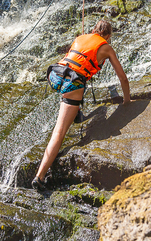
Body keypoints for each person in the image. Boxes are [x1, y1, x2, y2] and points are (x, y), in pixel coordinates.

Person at [32, 20, 131, 191]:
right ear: (107, 36)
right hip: (72, 84)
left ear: (94, 30)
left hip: (54, 74)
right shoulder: (106, 47)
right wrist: (127, 101)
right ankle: (40, 177)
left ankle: (76, 109)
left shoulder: (81, 37)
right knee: (60, 131)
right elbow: (122, 77)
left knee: (75, 89)